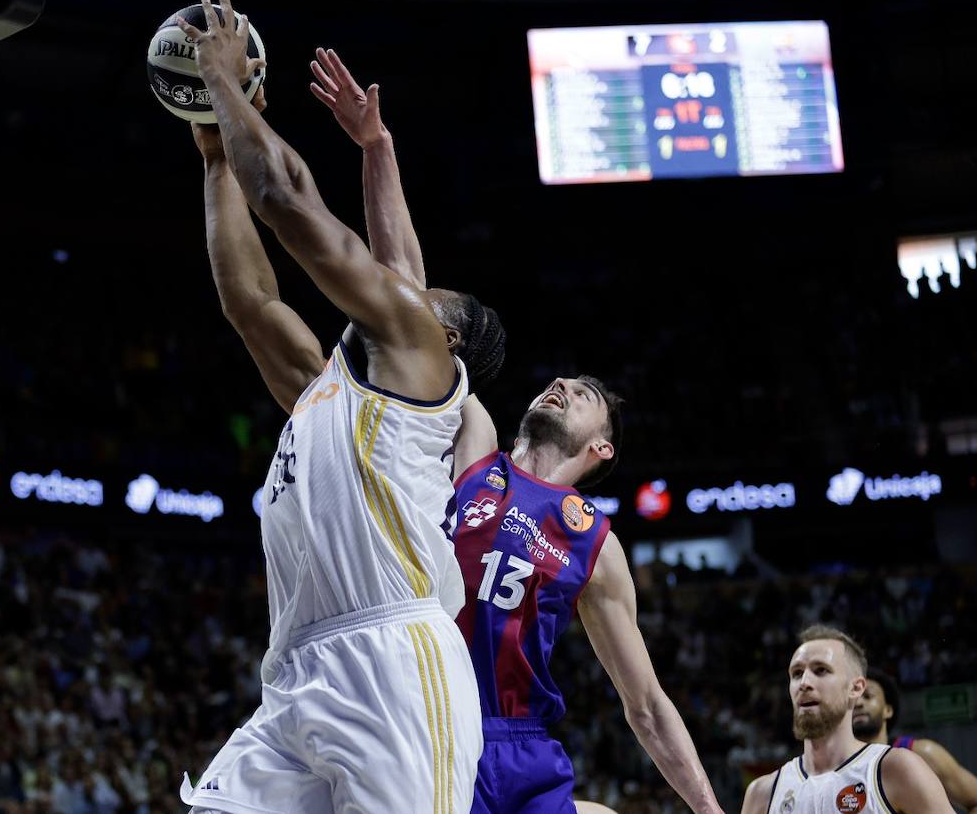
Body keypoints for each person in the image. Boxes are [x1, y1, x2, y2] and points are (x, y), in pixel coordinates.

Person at [309, 47, 722, 814]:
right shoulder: (475, 446)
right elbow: (404, 298)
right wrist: (378, 150)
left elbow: (646, 702)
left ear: (601, 450)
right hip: (435, 722)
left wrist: (709, 807)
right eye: (564, 379)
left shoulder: (596, 544)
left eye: (587, 393)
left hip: (524, 741)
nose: (565, 384)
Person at [177, 0, 505, 814]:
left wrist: (223, 80)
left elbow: (289, 201)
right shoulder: (329, 389)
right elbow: (249, 302)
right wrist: (218, 158)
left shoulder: (420, 358)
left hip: (395, 660)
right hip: (296, 670)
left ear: (448, 341)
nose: (406, 288)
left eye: (429, 295)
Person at [742, 626, 952, 814]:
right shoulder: (762, 794)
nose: (804, 683)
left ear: (856, 688)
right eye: (797, 673)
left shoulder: (896, 769)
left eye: (821, 670)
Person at [854, 667, 977, 814]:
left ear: (888, 710)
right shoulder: (835, 766)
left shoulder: (922, 752)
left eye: (868, 696)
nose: (858, 704)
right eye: (853, 699)